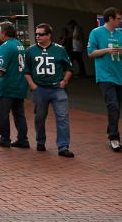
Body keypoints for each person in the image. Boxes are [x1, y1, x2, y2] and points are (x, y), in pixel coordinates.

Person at [25, 22, 75, 157]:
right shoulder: (30, 51)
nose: (38, 37)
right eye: (36, 34)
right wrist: (32, 85)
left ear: (49, 35)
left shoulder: (60, 50)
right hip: (39, 89)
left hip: (57, 89)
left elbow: (69, 68)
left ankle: (63, 146)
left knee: (63, 117)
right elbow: (26, 70)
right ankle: (40, 141)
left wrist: (65, 80)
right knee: (40, 117)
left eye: (41, 34)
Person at [88, 7, 122, 151]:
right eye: (119, 18)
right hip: (105, 75)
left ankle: (113, 134)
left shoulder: (121, 35)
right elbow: (91, 53)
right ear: (111, 18)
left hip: (119, 74)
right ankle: (114, 138)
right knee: (112, 105)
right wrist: (107, 50)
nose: (121, 21)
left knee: (117, 107)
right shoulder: (96, 32)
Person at [0, 22, 30, 149]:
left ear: (4, 33)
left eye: (0, 31)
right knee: (19, 114)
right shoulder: (20, 45)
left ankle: (5, 138)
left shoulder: (5, 46)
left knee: (3, 113)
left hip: (7, 86)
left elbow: (0, 69)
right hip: (20, 85)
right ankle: (23, 139)